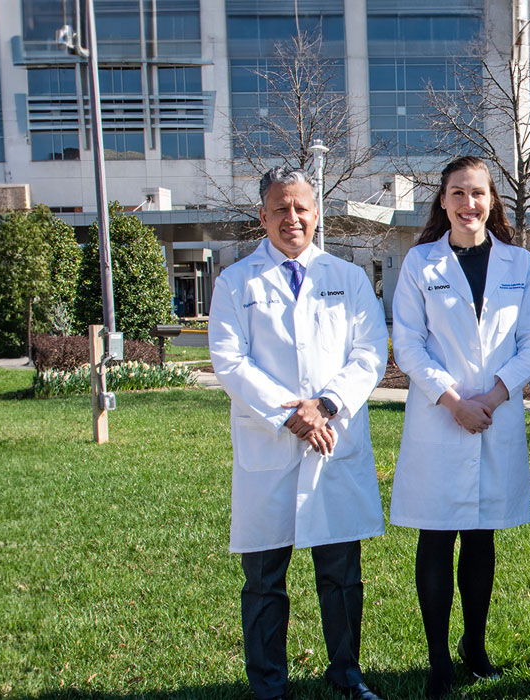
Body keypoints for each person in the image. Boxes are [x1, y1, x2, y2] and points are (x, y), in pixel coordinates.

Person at [208, 168, 390, 700]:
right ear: (262, 216)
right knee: (264, 579)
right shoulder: (235, 282)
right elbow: (229, 360)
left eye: (301, 208)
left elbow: (369, 352)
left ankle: (346, 674)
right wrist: (292, 415)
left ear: (317, 213)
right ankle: (269, 686)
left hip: (332, 441)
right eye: (280, 209)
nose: (292, 219)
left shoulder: (349, 277)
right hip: (271, 444)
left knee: (341, 575)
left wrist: (326, 406)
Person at [389, 156, 530, 698]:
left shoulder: (519, 264)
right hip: (441, 419)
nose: (468, 204)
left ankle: (474, 647)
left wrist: (498, 393)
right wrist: (454, 400)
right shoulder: (419, 263)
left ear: (492, 201)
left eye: (478, 193)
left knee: (481, 540)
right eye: (457, 193)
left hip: (495, 417)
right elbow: (408, 343)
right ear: (442, 201)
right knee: (436, 537)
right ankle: (438, 657)